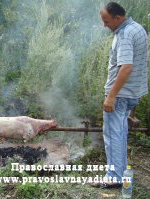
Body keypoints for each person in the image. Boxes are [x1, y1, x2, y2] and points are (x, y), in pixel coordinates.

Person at [91, 2, 148, 188]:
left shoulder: (124, 34)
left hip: (120, 94)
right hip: (131, 92)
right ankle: (121, 172)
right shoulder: (138, 28)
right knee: (120, 133)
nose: (104, 25)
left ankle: (114, 176)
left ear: (118, 18)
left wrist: (111, 96)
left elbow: (126, 67)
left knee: (113, 134)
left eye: (106, 21)